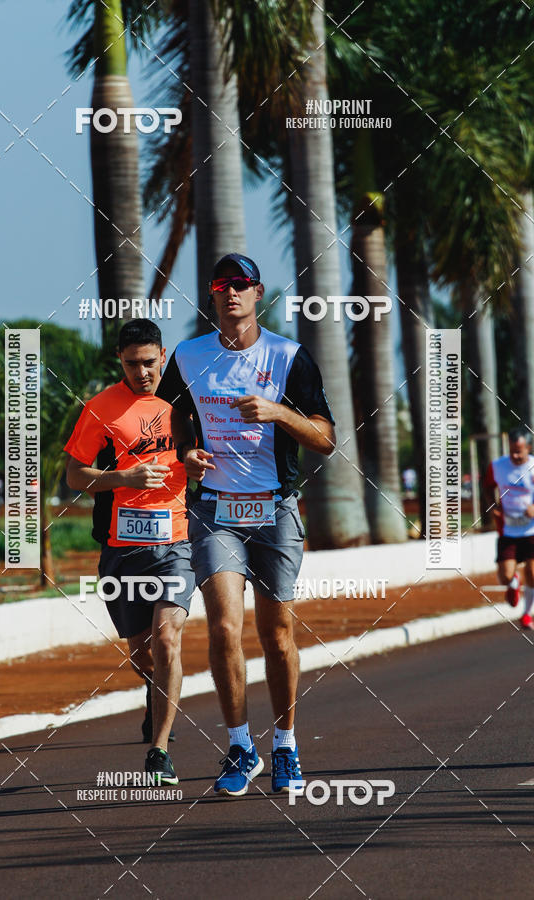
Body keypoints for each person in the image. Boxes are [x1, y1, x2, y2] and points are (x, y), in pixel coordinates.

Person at [157, 252, 335, 796]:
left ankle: (285, 745)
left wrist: (279, 412)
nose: (231, 292)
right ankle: (240, 746)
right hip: (215, 510)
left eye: (241, 284)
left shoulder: (289, 356)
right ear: (211, 296)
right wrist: (186, 451)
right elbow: (169, 417)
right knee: (223, 628)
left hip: (275, 507)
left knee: (276, 634)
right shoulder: (188, 357)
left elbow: (326, 438)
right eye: (221, 285)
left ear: (258, 294)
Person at [64, 319, 195, 785]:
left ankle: (159, 752)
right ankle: (153, 689)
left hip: (178, 541)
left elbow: (213, 452)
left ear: (163, 354)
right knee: (143, 655)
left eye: (149, 362)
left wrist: (197, 464)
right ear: (119, 362)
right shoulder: (102, 408)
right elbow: (75, 476)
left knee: (167, 640)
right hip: (122, 550)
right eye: (131, 364)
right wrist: (122, 478)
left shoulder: (187, 399)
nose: (142, 372)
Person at [483, 426, 534, 629]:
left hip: (531, 529)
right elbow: (487, 486)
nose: (514, 455)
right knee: (504, 575)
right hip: (508, 528)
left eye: (519, 450)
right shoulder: (498, 466)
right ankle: (513, 583)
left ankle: (527, 614)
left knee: (532, 572)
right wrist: (492, 506)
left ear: (528, 448)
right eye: (512, 450)